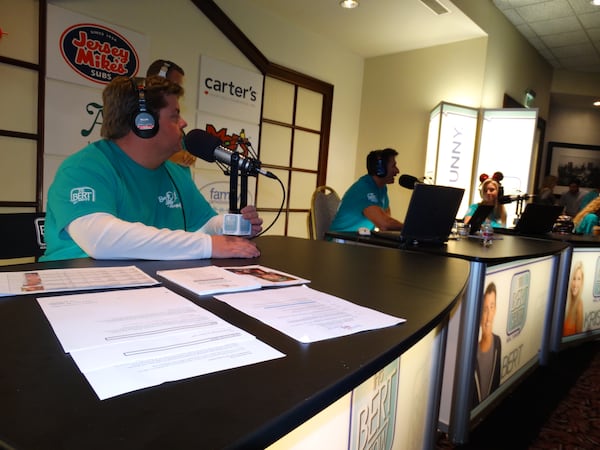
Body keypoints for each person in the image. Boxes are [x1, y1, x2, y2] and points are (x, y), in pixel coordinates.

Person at [41, 75, 262, 261]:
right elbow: (100, 240)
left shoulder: (175, 172)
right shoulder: (83, 168)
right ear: (143, 123)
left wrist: (228, 226)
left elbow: (202, 225)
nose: (184, 123)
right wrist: (209, 246)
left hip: (147, 287)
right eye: (174, 115)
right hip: (75, 291)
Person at [329, 148, 403, 232]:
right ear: (380, 169)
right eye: (393, 166)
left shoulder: (381, 188)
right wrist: (410, 229)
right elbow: (384, 224)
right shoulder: (363, 189)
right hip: (339, 241)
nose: (397, 171)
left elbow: (387, 219)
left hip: (357, 240)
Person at [146, 59, 197, 168]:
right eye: (175, 85)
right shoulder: (142, 118)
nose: (178, 91)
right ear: (158, 82)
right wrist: (175, 156)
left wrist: (188, 156)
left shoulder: (174, 120)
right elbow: (142, 151)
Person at [473, 282, 502, 406]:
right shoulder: (472, 353)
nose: (488, 316)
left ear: (495, 309)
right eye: (485, 309)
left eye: (491, 307)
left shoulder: (497, 344)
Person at [563, 261, 584, 336]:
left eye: (579, 279)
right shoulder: (567, 300)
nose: (575, 284)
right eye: (574, 278)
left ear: (582, 282)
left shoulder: (579, 305)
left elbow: (578, 340)